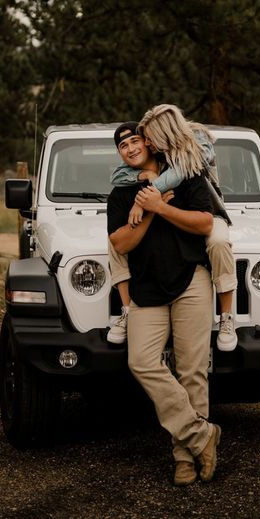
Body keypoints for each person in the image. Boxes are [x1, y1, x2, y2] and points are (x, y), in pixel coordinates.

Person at [107, 122, 221, 486]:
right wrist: (152, 207)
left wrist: (160, 204)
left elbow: (205, 223)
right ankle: (202, 435)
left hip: (190, 281)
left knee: (192, 371)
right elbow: (121, 243)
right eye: (122, 145)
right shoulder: (122, 193)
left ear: (150, 143)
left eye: (134, 139)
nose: (128, 147)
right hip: (147, 292)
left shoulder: (186, 174)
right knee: (140, 361)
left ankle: (184, 458)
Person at [107, 105, 237, 352]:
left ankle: (227, 316)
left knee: (219, 242)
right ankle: (125, 311)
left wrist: (143, 200)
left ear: (162, 134)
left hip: (211, 209)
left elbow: (179, 174)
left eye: (145, 139)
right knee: (114, 238)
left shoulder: (197, 143)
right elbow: (115, 177)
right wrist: (140, 176)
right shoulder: (159, 156)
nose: (143, 143)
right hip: (151, 280)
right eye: (126, 144)